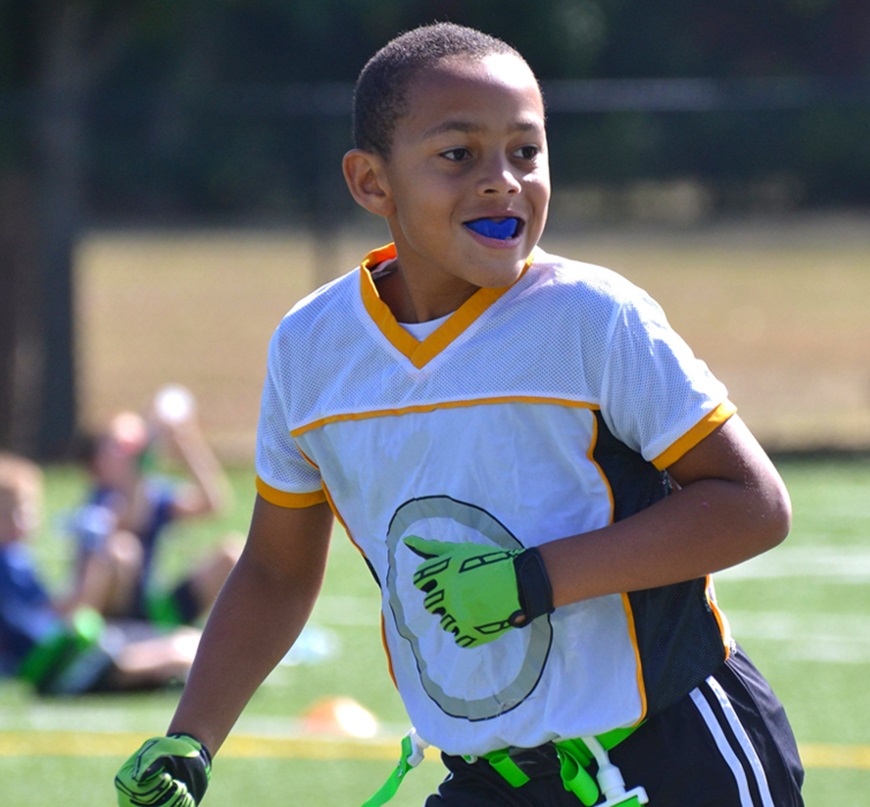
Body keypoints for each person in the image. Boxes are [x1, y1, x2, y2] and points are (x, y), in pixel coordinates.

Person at [115, 21, 804, 807]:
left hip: (677, 757)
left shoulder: (592, 316)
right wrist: (192, 736)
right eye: (458, 154)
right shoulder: (311, 347)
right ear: (372, 183)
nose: (503, 180)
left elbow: (754, 505)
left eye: (525, 151)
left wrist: (532, 580)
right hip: (490, 781)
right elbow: (275, 569)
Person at [0, 452, 198, 696]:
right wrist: (94, 561)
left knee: (182, 644)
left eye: (29, 509)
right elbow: (50, 622)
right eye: (16, 512)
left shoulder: (16, 558)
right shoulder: (8, 561)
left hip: (60, 658)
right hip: (56, 665)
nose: (27, 519)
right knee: (181, 651)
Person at [68, 389, 241, 629]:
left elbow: (213, 504)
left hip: (151, 606)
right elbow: (127, 520)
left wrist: (186, 444)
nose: (134, 450)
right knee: (122, 551)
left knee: (232, 554)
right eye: (121, 445)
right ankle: (106, 635)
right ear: (98, 463)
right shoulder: (100, 499)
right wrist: (141, 467)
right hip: (115, 612)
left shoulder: (152, 492)